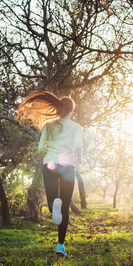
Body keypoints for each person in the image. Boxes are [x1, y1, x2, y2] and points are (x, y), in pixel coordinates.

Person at [17, 91, 83, 256]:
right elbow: (78, 147)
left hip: (51, 165)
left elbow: (40, 149)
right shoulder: (76, 127)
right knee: (66, 207)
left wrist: (50, 149)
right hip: (68, 166)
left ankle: (54, 205)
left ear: (58, 108)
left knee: (53, 201)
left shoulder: (49, 126)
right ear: (72, 110)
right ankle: (60, 245)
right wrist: (79, 159)